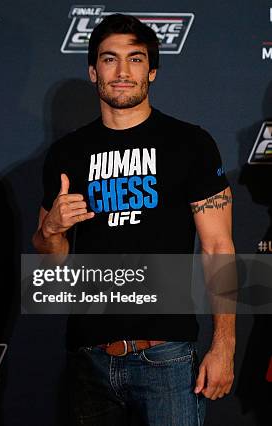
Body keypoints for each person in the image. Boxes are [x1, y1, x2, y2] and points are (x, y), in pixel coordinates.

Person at [32, 14, 235, 425]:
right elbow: (53, 264)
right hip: (89, 358)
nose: (122, 72)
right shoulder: (67, 153)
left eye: (135, 59)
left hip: (167, 357)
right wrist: (51, 229)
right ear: (93, 71)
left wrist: (225, 345)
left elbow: (218, 247)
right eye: (109, 59)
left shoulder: (190, 144)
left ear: (152, 70)